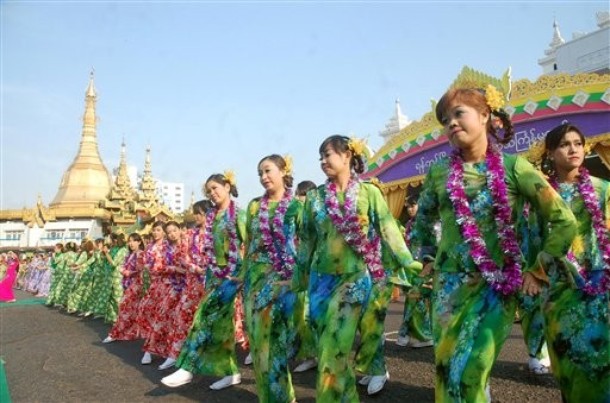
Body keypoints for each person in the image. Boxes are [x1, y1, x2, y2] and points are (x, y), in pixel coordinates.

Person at [412, 85, 577, 402]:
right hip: (449, 286)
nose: (451, 124)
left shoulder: (515, 168)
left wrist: (538, 269)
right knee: (447, 372)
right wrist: (429, 257)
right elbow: (423, 218)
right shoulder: (439, 171)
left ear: (486, 115)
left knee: (473, 370)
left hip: (497, 288)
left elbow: (564, 220)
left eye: (459, 114)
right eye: (445, 119)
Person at [298, 135, 421, 401]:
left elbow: (388, 229)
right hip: (320, 282)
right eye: (319, 157)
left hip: (353, 280)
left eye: (327, 155)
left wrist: (407, 261)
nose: (322, 161)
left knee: (335, 347)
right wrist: (298, 277)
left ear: (347, 156)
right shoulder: (316, 198)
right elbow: (307, 240)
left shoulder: (368, 193)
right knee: (327, 346)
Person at [538, 123, 610, 402]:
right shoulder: (541, 194)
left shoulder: (603, 189)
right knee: (566, 360)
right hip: (558, 286)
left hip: (597, 282)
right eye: (565, 144)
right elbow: (533, 237)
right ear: (551, 153)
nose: (573, 149)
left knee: (599, 359)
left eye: (578, 143)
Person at [162, 172, 247, 391]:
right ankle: (231, 372)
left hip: (232, 274)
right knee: (222, 327)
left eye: (215, 188)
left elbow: (251, 246)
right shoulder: (212, 217)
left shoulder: (239, 214)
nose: (212, 193)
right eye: (208, 191)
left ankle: (188, 368)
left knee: (204, 317)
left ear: (227, 186)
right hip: (213, 274)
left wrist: (244, 275)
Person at [242, 154, 301, 402]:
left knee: (276, 343)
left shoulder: (298, 206)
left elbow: (308, 245)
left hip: (284, 283)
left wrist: (299, 279)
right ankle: (267, 396)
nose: (263, 177)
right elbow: (250, 245)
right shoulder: (254, 207)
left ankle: (282, 397)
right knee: (258, 344)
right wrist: (244, 282)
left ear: (283, 171)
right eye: (260, 174)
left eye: (267, 171)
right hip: (255, 283)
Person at [396, 195, 433, 348]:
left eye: (413, 205)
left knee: (418, 301)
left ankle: (421, 335)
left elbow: (432, 246)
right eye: (408, 207)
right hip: (412, 267)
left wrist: (427, 267)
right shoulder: (409, 224)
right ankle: (414, 334)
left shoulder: (428, 223)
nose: (410, 209)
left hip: (424, 267)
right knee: (413, 301)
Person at [291, 180, 318, 374]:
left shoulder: (318, 213)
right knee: (301, 313)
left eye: (300, 195)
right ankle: (310, 355)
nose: (297, 198)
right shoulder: (299, 213)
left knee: (311, 313)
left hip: (318, 267)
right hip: (303, 264)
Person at [137, 221, 170, 366]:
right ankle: (154, 347)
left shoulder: (168, 246)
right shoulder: (150, 247)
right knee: (147, 312)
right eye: (154, 230)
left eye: (158, 230)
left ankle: (150, 350)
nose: (155, 233)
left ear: (164, 232)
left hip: (167, 284)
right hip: (153, 285)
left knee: (162, 318)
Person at [103, 233, 146, 343]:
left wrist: (127, 272)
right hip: (129, 283)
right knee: (131, 309)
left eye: (133, 241)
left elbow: (140, 269)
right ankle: (129, 331)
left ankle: (116, 333)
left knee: (124, 307)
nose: (131, 243)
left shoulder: (140, 254)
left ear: (139, 242)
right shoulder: (130, 254)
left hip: (136, 284)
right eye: (129, 241)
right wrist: (123, 269)